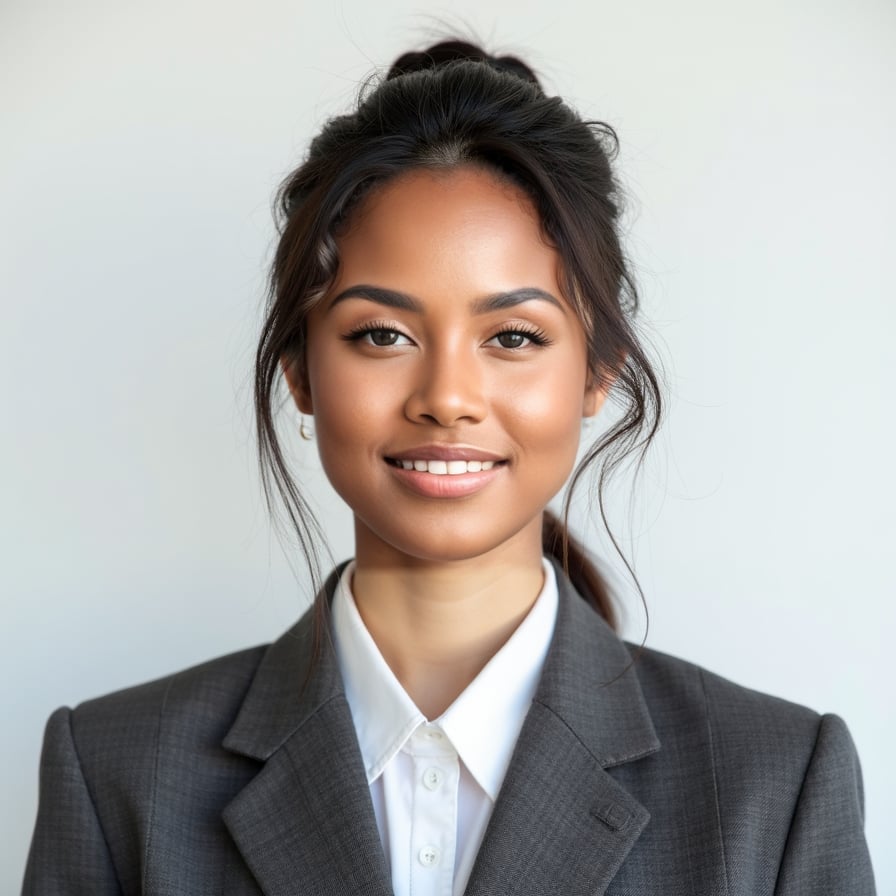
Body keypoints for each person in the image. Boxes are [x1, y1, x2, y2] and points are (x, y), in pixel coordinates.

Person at [23, 40, 875, 895]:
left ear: (597, 372)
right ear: (299, 369)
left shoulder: (776, 786)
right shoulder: (116, 775)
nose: (447, 397)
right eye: (381, 335)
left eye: (513, 337)